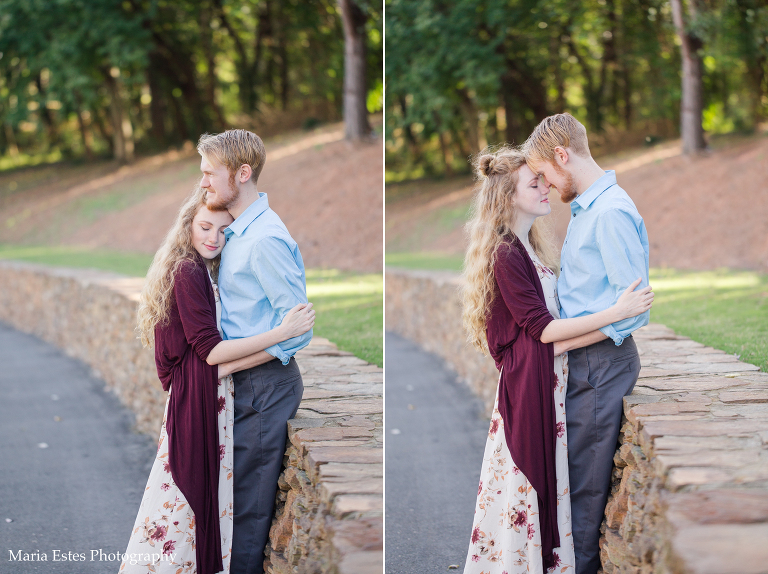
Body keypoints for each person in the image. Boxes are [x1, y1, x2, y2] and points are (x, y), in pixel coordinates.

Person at [460, 147, 652, 574]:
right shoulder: (506, 254)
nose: (546, 186)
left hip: (549, 383)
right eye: (535, 183)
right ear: (508, 197)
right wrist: (616, 315)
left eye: (543, 179)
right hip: (529, 394)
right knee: (530, 494)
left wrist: (613, 326)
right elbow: (543, 332)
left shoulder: (529, 246)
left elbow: (546, 336)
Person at [122, 186, 314, 574]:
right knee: (185, 498)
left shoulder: (195, 266)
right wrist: (282, 334)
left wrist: (239, 365)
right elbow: (210, 353)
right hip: (197, 401)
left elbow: (209, 360)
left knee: (190, 498)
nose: (213, 237)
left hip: (202, 394)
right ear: (187, 226)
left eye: (223, 230)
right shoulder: (188, 270)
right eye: (205, 226)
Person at [523, 112, 651, 574]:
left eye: (545, 173)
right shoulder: (588, 209)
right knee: (569, 482)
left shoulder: (611, 212)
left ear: (563, 155)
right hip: (585, 363)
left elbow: (632, 308)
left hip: (602, 366)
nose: (547, 185)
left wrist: (564, 346)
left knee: (584, 490)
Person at [197, 129, 313, 574]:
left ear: (242, 174)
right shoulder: (237, 232)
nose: (204, 182)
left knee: (248, 506)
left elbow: (296, 329)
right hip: (244, 383)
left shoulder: (264, 239)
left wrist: (226, 366)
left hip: (266, 389)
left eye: (211, 174)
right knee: (232, 496)